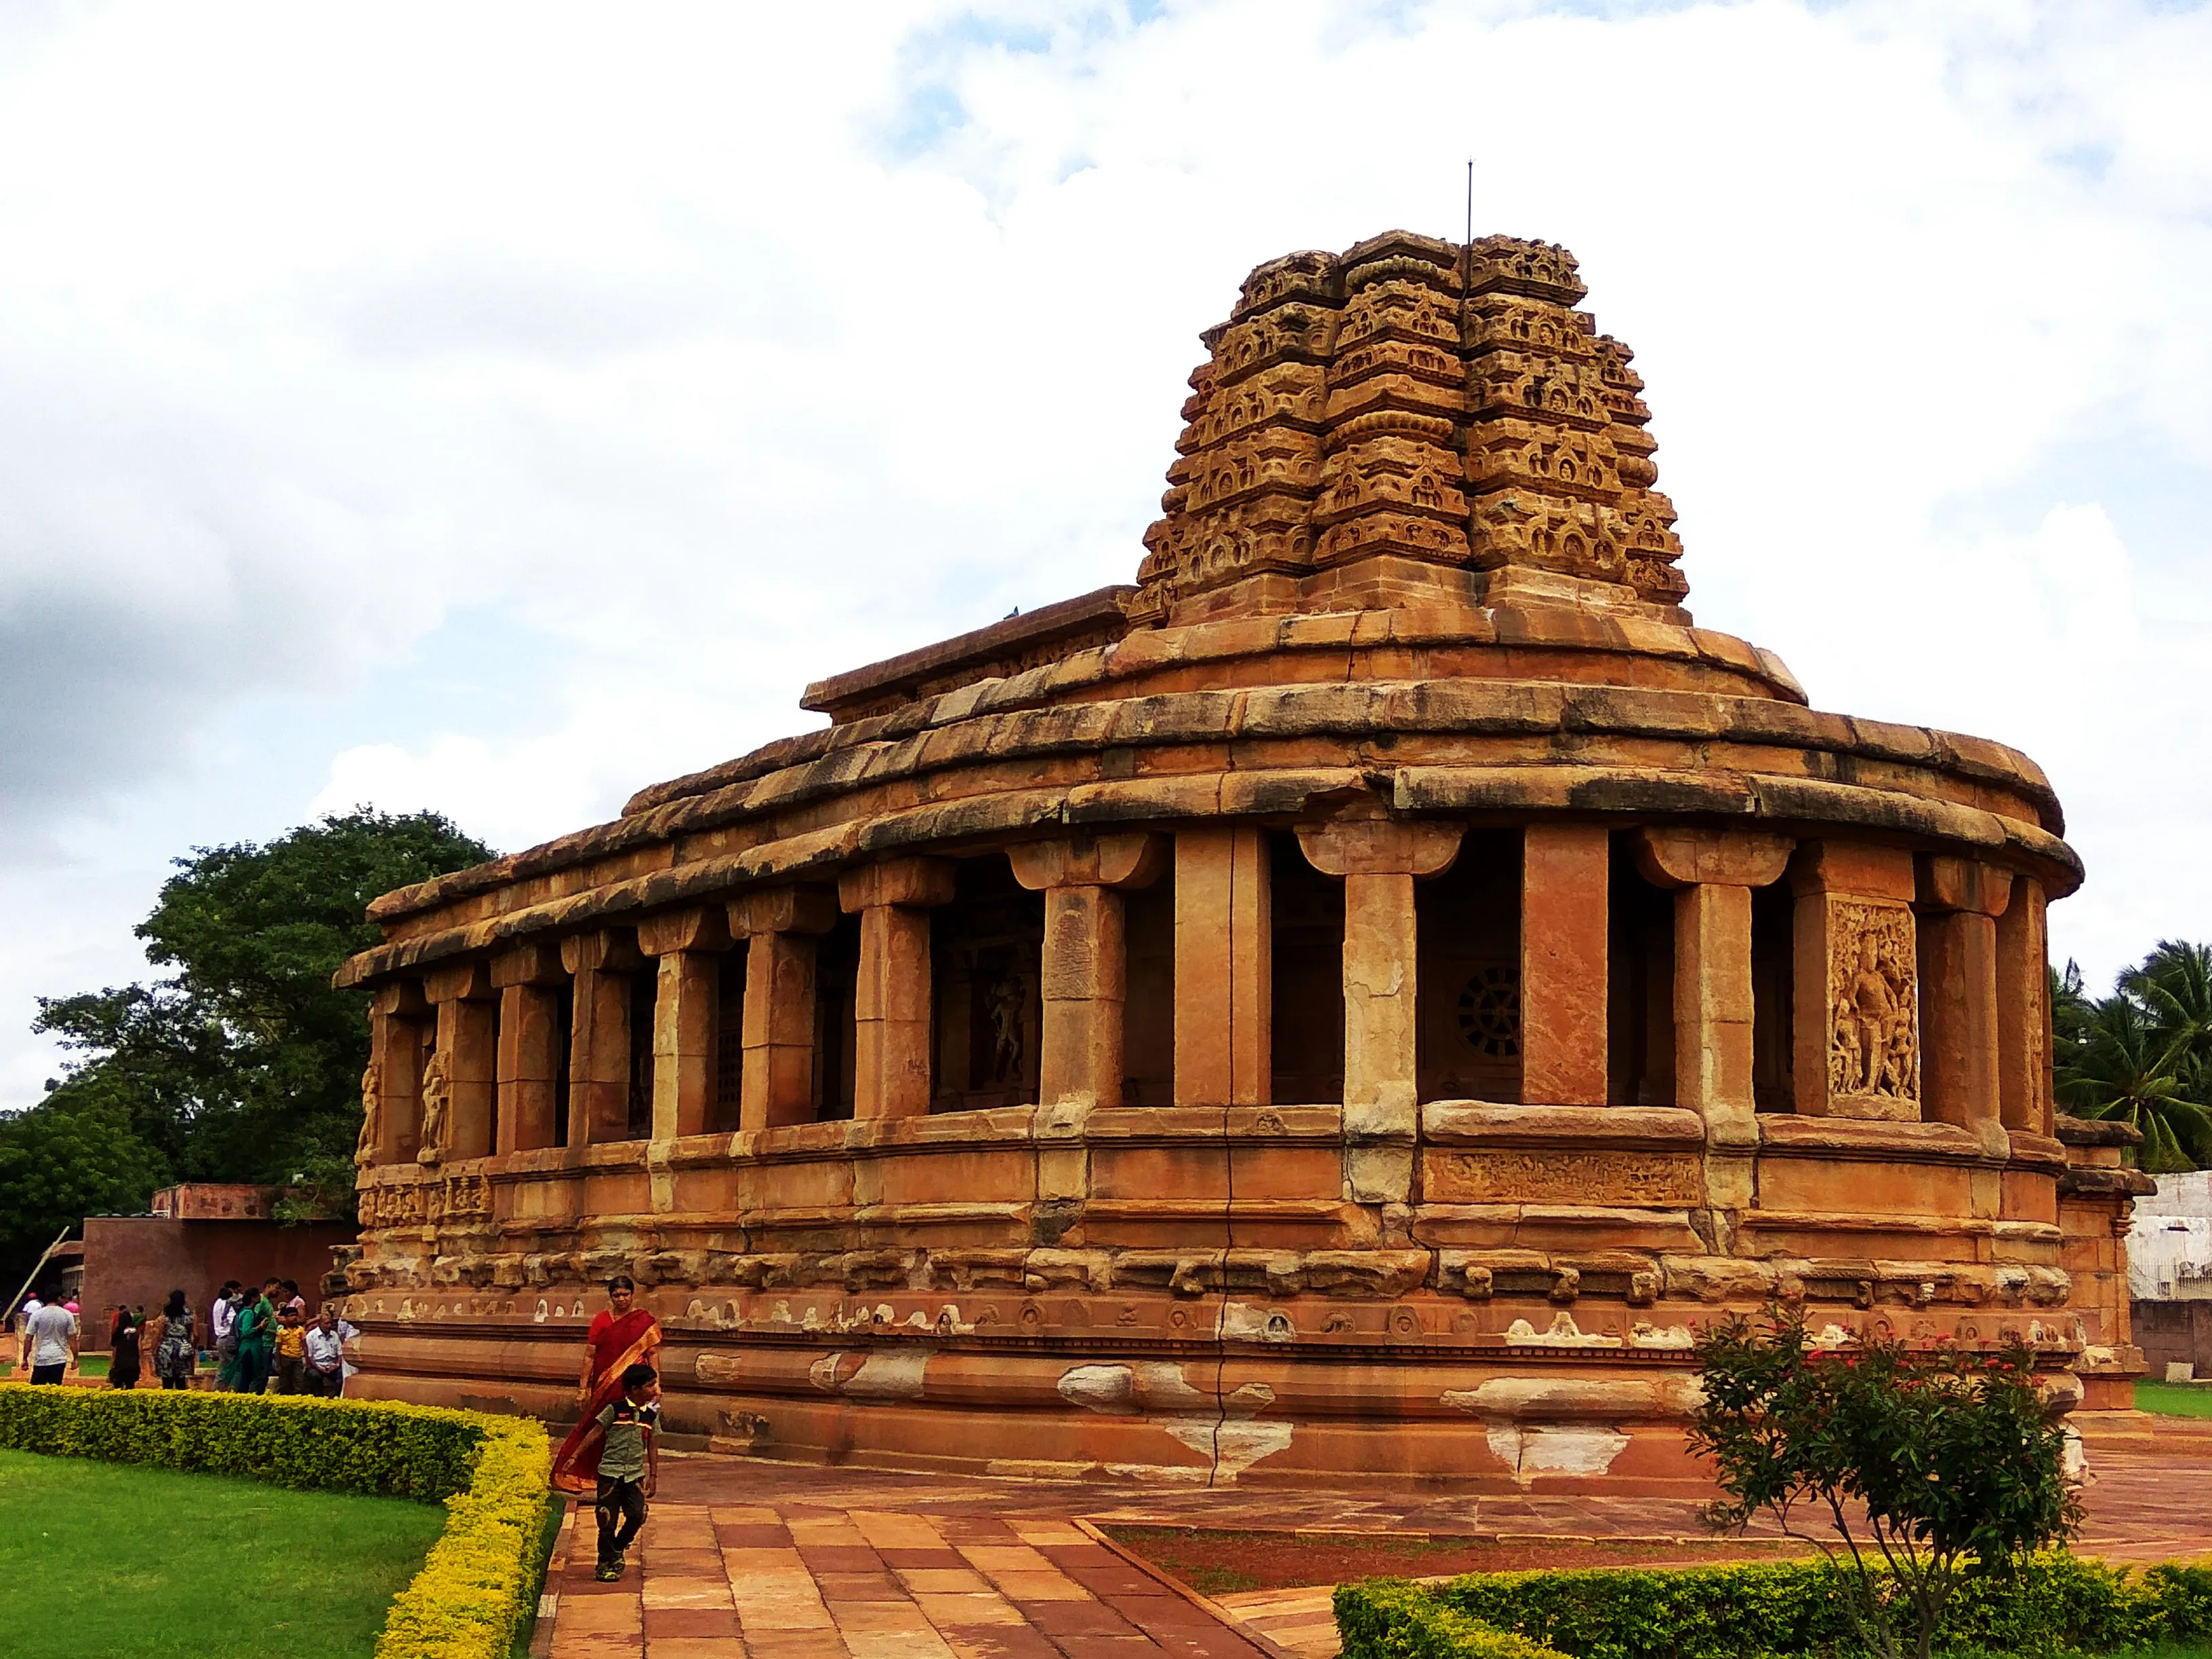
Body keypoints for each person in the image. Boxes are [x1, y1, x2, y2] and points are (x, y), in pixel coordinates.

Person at [551, 1275, 661, 1494]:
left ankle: (634, 1476)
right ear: (610, 1297)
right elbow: (590, 1356)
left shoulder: (644, 1321)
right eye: (617, 1295)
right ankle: (579, 1470)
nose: (621, 1299)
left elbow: (653, 1354)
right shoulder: (601, 1320)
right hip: (605, 1384)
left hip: (635, 1386)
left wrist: (656, 1385)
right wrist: (583, 1389)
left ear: (632, 1295)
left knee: (637, 1429)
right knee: (598, 1425)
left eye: (625, 1294)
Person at [592, 1363, 660, 1581]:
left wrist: (653, 1476)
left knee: (637, 1515)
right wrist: (573, 1457)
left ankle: (618, 1548)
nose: (654, 1390)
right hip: (610, 1473)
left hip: (634, 1474)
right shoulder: (614, 1409)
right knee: (607, 1520)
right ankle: (605, 1563)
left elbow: (652, 1446)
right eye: (650, 1386)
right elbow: (596, 1432)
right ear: (634, 1389)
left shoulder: (650, 1415)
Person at [22, 1288, 77, 1385]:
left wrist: (25, 1359)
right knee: (55, 1391)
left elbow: (28, 1338)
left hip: (42, 1357)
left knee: (36, 1391)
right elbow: (72, 1339)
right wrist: (75, 1358)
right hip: (59, 1358)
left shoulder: (37, 1315)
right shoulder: (67, 1315)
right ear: (58, 1298)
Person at [302, 1305, 358, 1398]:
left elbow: (340, 1354)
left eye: (331, 1324)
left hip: (332, 1366)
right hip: (317, 1366)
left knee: (343, 1374)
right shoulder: (311, 1336)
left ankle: (332, 1397)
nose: (329, 1326)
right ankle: (318, 1398)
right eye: (326, 1323)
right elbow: (310, 1357)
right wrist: (320, 1368)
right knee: (314, 1375)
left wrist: (336, 1365)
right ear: (320, 1323)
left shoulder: (334, 1335)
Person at [234, 1282, 277, 1395]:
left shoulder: (248, 1312)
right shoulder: (248, 1313)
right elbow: (246, 1332)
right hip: (250, 1347)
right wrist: (260, 1327)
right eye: (258, 1296)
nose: (260, 1298)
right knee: (249, 1376)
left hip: (253, 1346)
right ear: (253, 1298)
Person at [151, 1290, 196, 1391]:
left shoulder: (165, 1316)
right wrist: (192, 1345)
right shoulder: (190, 1315)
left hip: (166, 1349)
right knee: (181, 1380)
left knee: (167, 1380)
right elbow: (196, 1335)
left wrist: (154, 1349)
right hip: (183, 1348)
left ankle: (167, 1403)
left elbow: (159, 1334)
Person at [211, 1282, 241, 1390]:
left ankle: (217, 1391)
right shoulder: (227, 1304)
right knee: (237, 1367)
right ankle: (233, 1391)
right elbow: (233, 1319)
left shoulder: (217, 1303)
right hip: (228, 1338)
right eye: (237, 1291)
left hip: (221, 1339)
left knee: (223, 1368)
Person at [271, 1305, 307, 1395]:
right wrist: (278, 1364)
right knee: (284, 1382)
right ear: (286, 1318)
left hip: (298, 1358)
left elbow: (304, 1345)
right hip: (285, 1358)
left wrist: (305, 1359)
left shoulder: (300, 1330)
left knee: (299, 1381)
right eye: (291, 1315)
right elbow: (278, 1348)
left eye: (295, 1315)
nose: (294, 1318)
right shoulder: (281, 1332)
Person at [108, 1309, 142, 1389]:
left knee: (117, 1389)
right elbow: (140, 1350)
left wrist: (111, 1366)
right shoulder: (137, 1334)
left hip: (120, 1364)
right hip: (133, 1365)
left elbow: (114, 1352)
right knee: (130, 1388)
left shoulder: (118, 1334)